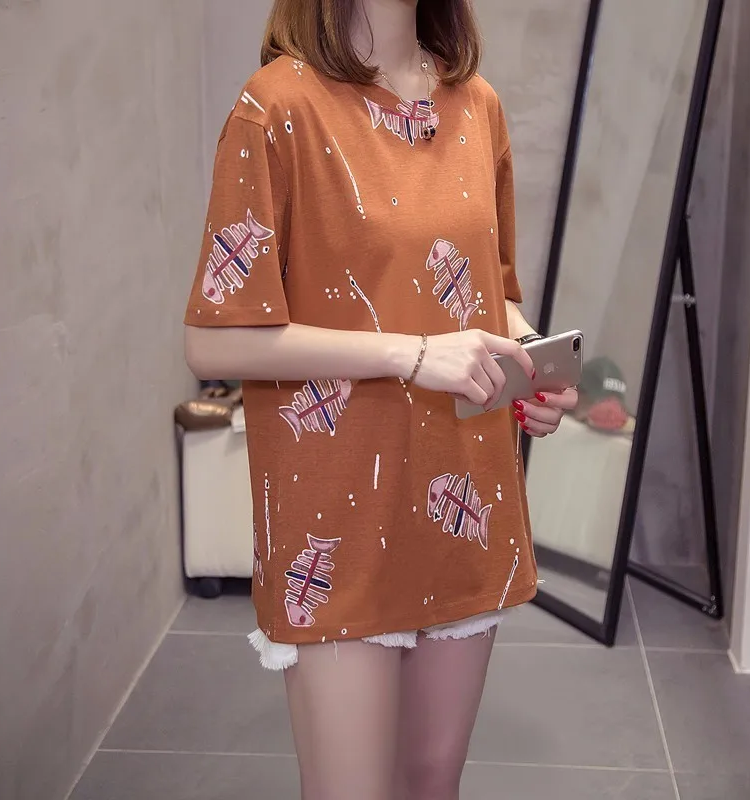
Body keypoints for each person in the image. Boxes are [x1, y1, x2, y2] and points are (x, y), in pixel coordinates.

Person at [184, 1, 577, 797]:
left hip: (463, 494)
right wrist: (414, 355)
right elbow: (213, 341)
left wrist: (530, 360)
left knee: (432, 783)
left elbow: (491, 293)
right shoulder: (277, 108)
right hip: (336, 522)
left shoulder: (477, 106)